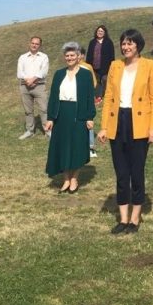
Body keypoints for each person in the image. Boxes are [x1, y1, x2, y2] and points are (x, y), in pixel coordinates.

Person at [99, 29, 153, 235]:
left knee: (137, 172)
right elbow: (108, 97)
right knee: (121, 173)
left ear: (138, 46)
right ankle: (123, 219)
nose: (126, 47)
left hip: (139, 123)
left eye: (130, 43)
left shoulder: (150, 65)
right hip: (118, 123)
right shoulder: (115, 65)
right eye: (123, 43)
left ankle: (135, 218)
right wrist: (104, 126)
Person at [45, 42, 96, 193]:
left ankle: (75, 179)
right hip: (62, 115)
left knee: (77, 147)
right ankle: (66, 179)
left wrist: (90, 117)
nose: (70, 58)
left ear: (79, 56)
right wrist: (50, 118)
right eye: (67, 55)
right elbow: (53, 97)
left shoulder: (86, 74)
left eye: (72, 55)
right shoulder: (59, 74)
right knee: (63, 147)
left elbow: (89, 97)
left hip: (79, 115)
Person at [16, 36, 50, 140]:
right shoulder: (23, 57)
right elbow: (20, 72)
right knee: (28, 110)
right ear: (29, 43)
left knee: (44, 109)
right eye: (33, 43)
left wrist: (33, 79)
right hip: (24, 86)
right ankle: (30, 131)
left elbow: (44, 71)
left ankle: (48, 131)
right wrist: (27, 80)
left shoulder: (44, 57)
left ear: (40, 45)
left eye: (37, 44)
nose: (34, 45)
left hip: (39, 86)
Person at [78, 47, 99, 158]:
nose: (78, 56)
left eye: (80, 54)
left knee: (88, 122)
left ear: (83, 55)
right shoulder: (70, 68)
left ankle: (90, 147)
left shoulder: (87, 66)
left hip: (86, 99)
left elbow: (94, 83)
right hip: (74, 101)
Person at [87, 25, 115, 100]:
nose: (99, 32)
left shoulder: (109, 42)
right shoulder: (92, 42)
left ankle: (105, 95)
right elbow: (89, 54)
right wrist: (88, 65)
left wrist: (112, 65)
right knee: (96, 81)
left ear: (104, 33)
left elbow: (112, 55)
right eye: (98, 31)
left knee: (105, 81)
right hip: (94, 66)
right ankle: (98, 97)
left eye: (101, 31)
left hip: (105, 66)